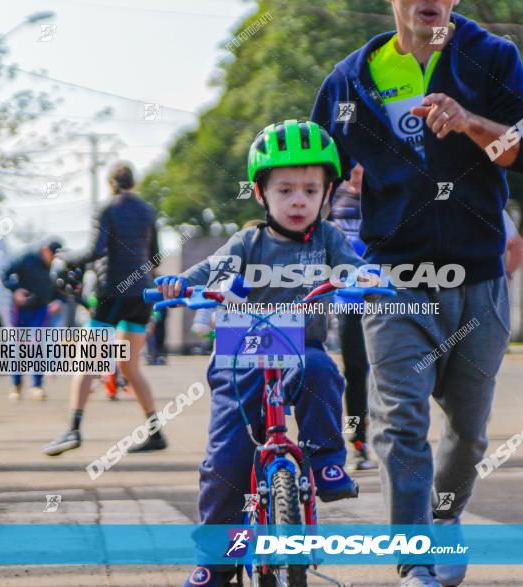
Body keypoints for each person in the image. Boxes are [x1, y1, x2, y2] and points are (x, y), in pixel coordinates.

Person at [312, 3, 523, 585]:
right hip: (393, 279)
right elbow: (317, 173)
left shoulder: (491, 57)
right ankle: (414, 558)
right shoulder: (349, 79)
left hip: (478, 279)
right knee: (398, 423)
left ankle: (445, 516)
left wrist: (470, 121)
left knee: (468, 432)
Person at [161, 120, 369, 587]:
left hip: (301, 343)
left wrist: (369, 281)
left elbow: (355, 269)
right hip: (242, 348)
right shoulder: (249, 241)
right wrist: (183, 284)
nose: (298, 200)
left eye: (311, 189)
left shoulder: (330, 239)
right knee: (225, 460)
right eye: (285, 189)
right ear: (261, 193)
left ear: (327, 193)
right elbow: (213, 268)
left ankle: (327, 460)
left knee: (322, 372)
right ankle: (217, 559)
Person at [43, 162, 166, 456]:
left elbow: (95, 250)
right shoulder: (148, 211)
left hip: (112, 292)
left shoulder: (106, 208)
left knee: (87, 362)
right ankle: (156, 432)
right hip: (141, 295)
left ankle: (73, 429)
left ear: (111, 183)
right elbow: (155, 257)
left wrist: (65, 258)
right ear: (133, 182)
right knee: (130, 367)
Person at [329, 163, 377, 471]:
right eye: (354, 165)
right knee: (355, 367)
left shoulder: (386, 191)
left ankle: (394, 438)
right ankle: (358, 440)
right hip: (348, 297)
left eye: (364, 164)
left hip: (384, 292)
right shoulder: (333, 196)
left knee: (388, 368)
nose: (359, 170)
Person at [0, 239, 64, 401]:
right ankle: (16, 384)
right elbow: (4, 274)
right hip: (21, 309)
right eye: (52, 254)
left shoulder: (56, 267)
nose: (53, 259)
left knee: (36, 346)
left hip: (40, 310)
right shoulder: (26, 258)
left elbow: (61, 287)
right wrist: (16, 290)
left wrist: (59, 300)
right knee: (18, 347)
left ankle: (37, 385)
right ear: (44, 250)